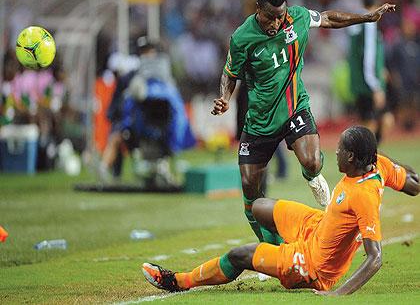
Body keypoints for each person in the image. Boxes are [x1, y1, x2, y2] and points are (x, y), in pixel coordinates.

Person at [211, 0, 396, 243]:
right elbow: (229, 74)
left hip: (295, 106)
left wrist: (366, 17)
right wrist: (224, 98)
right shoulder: (242, 37)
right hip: (260, 120)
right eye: (269, 17)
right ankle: (271, 245)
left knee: (312, 161)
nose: (276, 23)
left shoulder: (296, 17)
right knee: (250, 191)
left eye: (280, 16)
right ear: (257, 10)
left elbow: (329, 18)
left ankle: (313, 176)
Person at [142, 126, 420, 295]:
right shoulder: (377, 164)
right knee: (260, 206)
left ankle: (179, 281)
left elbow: (375, 259)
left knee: (239, 255)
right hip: (317, 227)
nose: (334, 152)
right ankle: (277, 254)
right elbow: (413, 185)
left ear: (351, 157)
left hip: (314, 267)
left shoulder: (364, 197)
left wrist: (337, 295)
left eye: (339, 149)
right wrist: (391, 164)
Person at [348, 0, 394, 143]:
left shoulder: (356, 21)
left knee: (380, 120)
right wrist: (375, 86)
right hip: (368, 84)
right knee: (372, 125)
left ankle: (371, 154)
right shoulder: (369, 22)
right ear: (376, 6)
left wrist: (381, 69)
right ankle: (367, 156)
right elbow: (368, 55)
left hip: (361, 82)